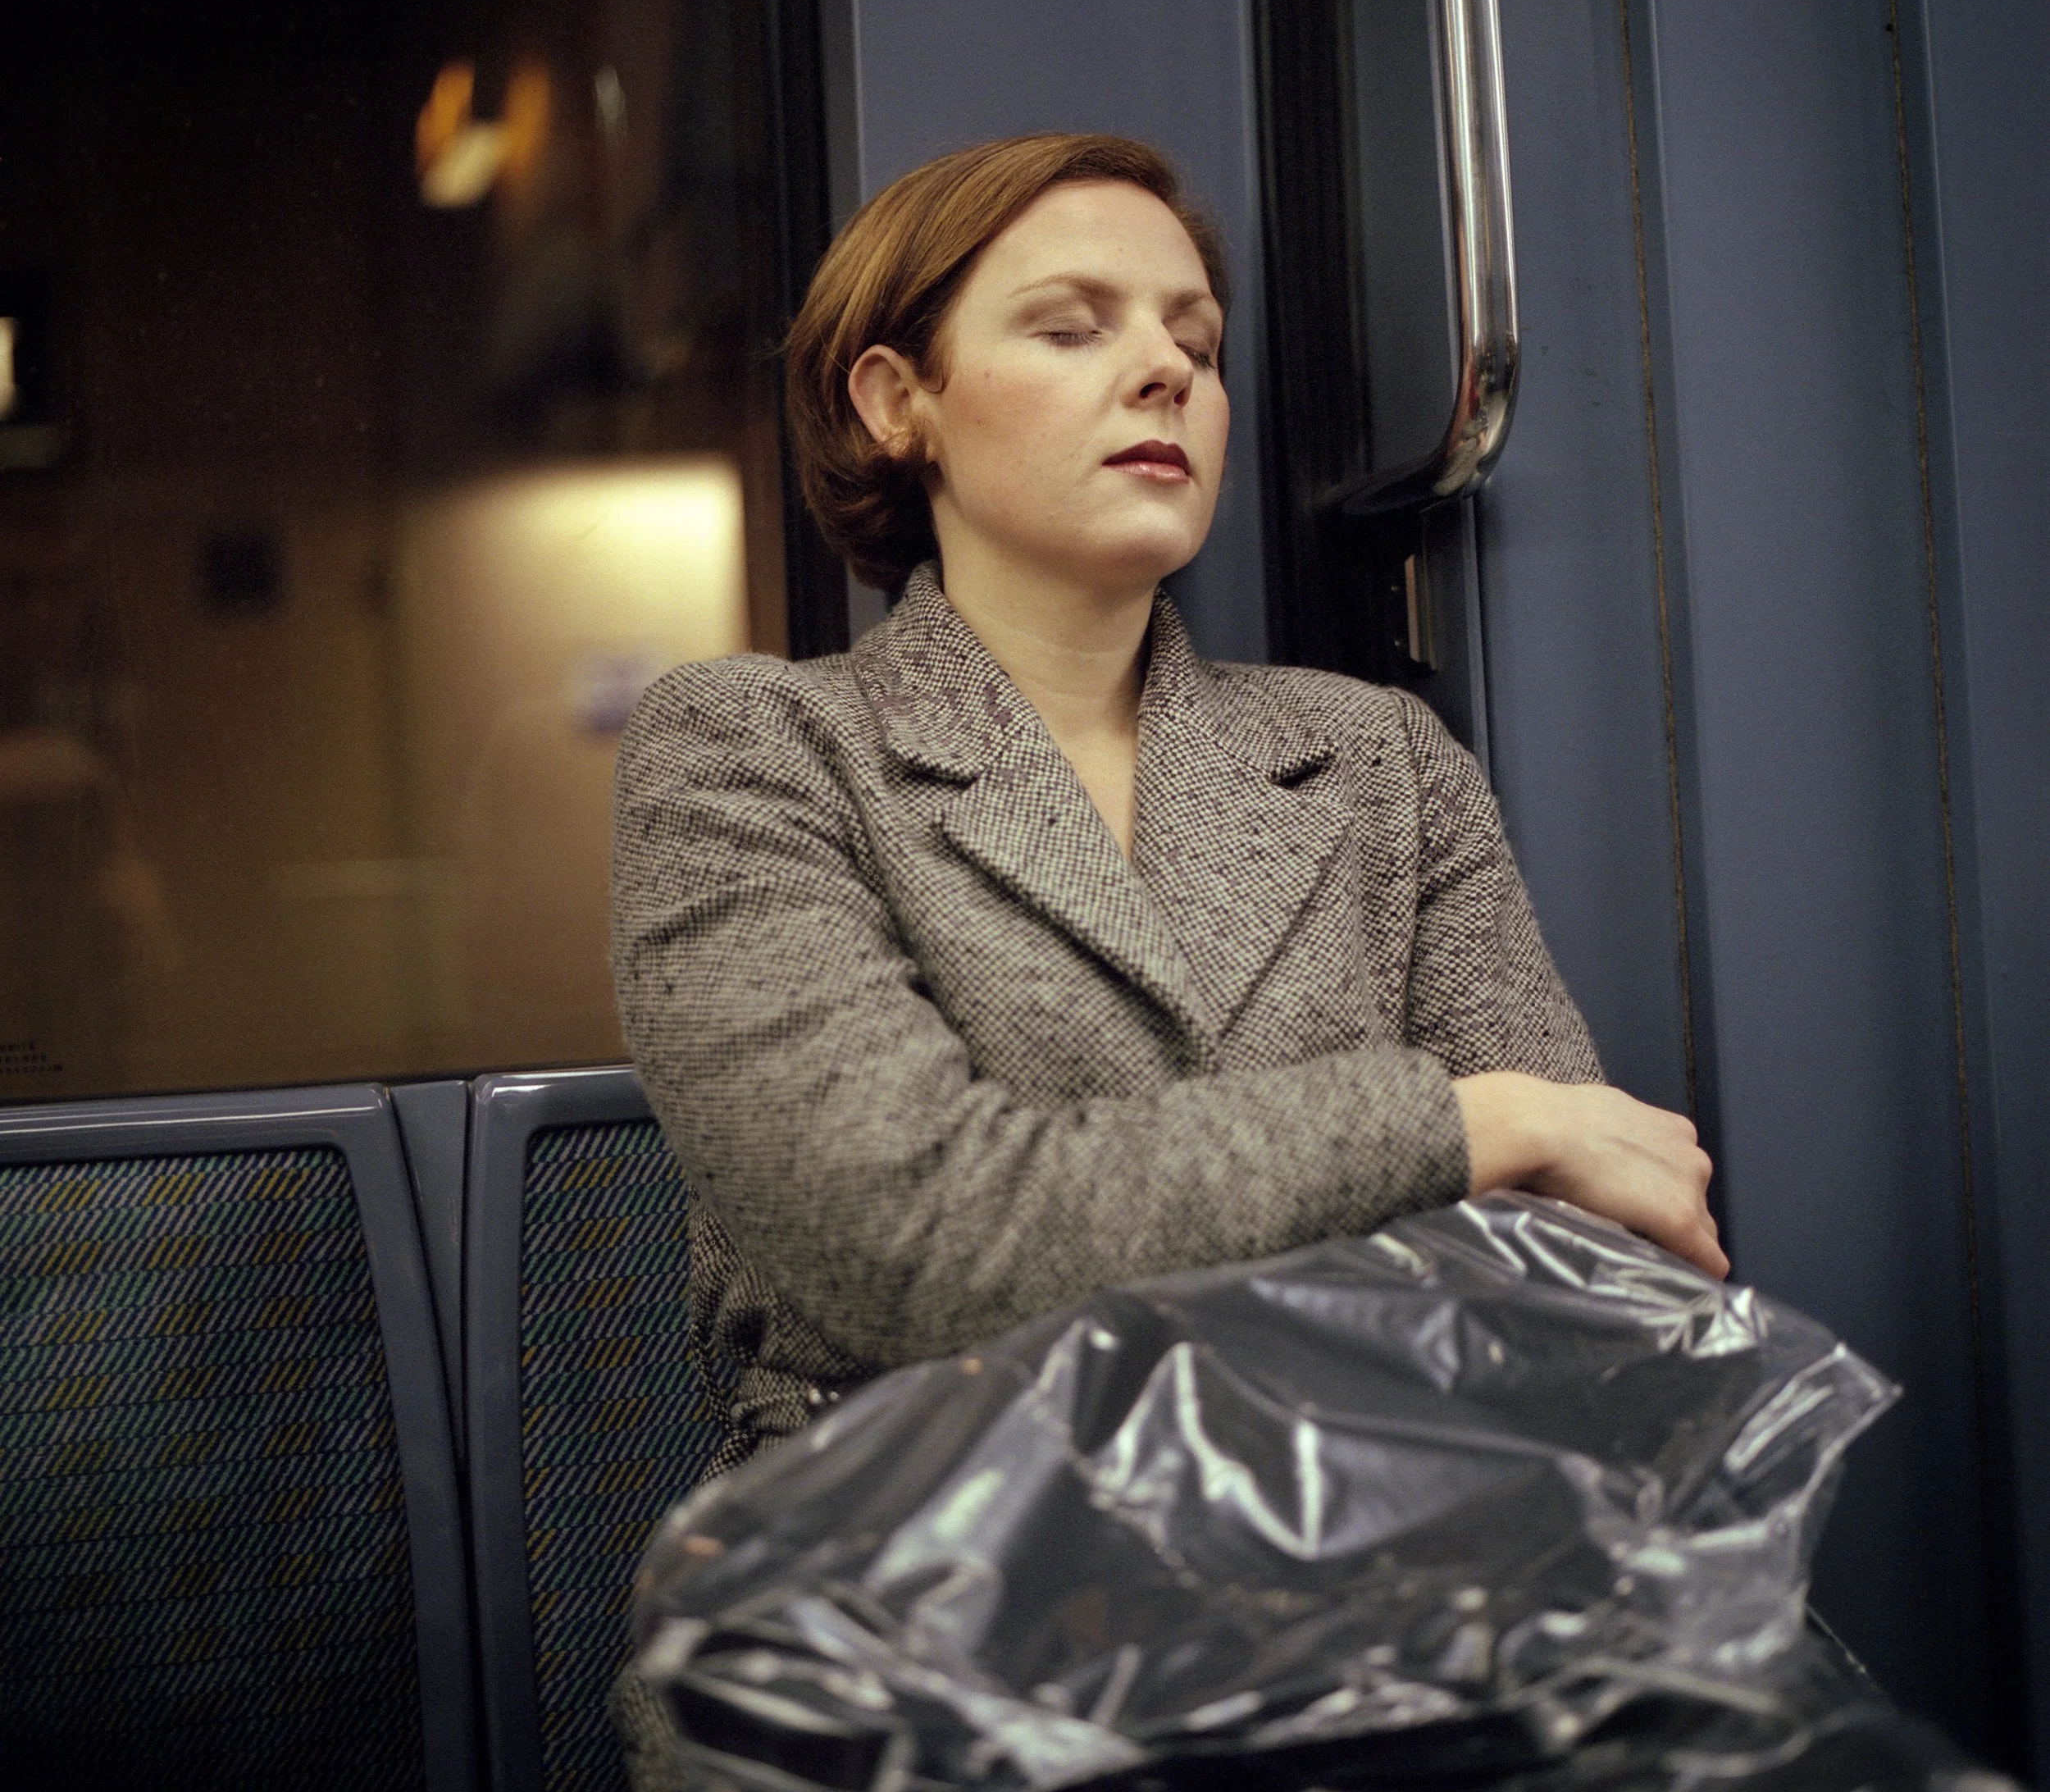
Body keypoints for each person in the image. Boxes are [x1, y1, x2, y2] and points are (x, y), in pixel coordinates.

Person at [611, 131, 1722, 1485]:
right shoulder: (753, 752)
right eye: (1074, 328)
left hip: (1368, 1554)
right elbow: (909, 1243)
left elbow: (1588, 1240)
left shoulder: (1379, 760)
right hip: (926, 1588)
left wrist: (1515, 1152)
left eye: (1195, 344)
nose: (1167, 372)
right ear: (898, 403)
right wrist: (1472, 1126)